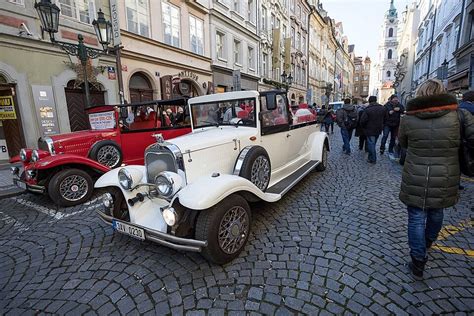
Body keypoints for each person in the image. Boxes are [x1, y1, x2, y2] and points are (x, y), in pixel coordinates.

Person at [399, 79, 474, 279]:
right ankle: (429, 241)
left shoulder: (408, 118)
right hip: (446, 173)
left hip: (415, 173)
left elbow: (403, 143)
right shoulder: (459, 115)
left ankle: (418, 261)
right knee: (436, 210)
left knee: (416, 217)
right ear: (442, 92)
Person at [359, 96, 387, 164]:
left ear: (369, 101)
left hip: (369, 128)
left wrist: (363, 127)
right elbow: (386, 118)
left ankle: (373, 158)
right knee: (373, 143)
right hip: (378, 128)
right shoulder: (383, 108)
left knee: (371, 144)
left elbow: (363, 120)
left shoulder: (368, 109)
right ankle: (370, 157)